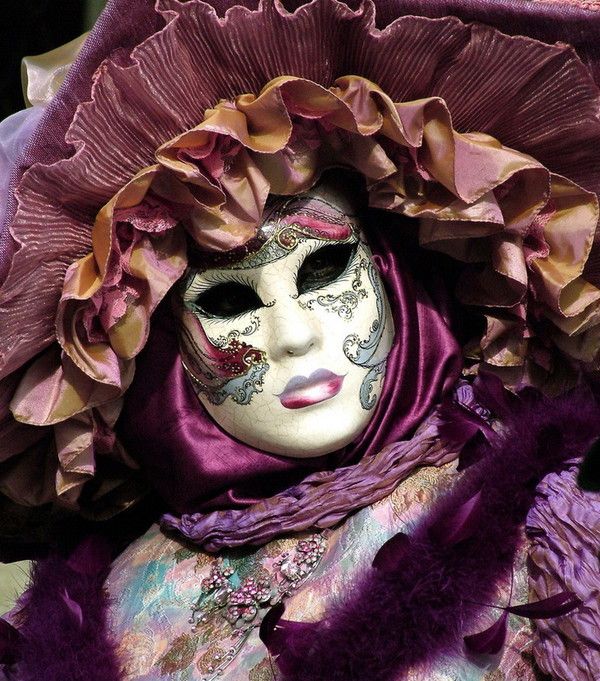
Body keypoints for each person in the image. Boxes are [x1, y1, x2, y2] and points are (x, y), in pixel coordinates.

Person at [0, 1, 599, 680]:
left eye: (323, 271)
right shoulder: (105, 600)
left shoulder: (545, 521)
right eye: (229, 302)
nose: (293, 338)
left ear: (395, 270)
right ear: (150, 338)